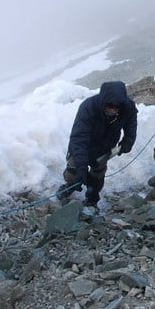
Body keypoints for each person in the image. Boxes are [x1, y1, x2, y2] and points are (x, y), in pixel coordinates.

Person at [57, 81, 137, 211]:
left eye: (117, 107)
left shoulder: (127, 107)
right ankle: (70, 185)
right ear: (103, 101)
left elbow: (131, 123)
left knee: (97, 174)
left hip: (105, 148)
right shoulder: (88, 107)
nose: (114, 109)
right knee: (73, 172)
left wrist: (128, 139)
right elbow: (79, 137)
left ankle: (92, 197)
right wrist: (81, 166)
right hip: (84, 146)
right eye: (110, 106)